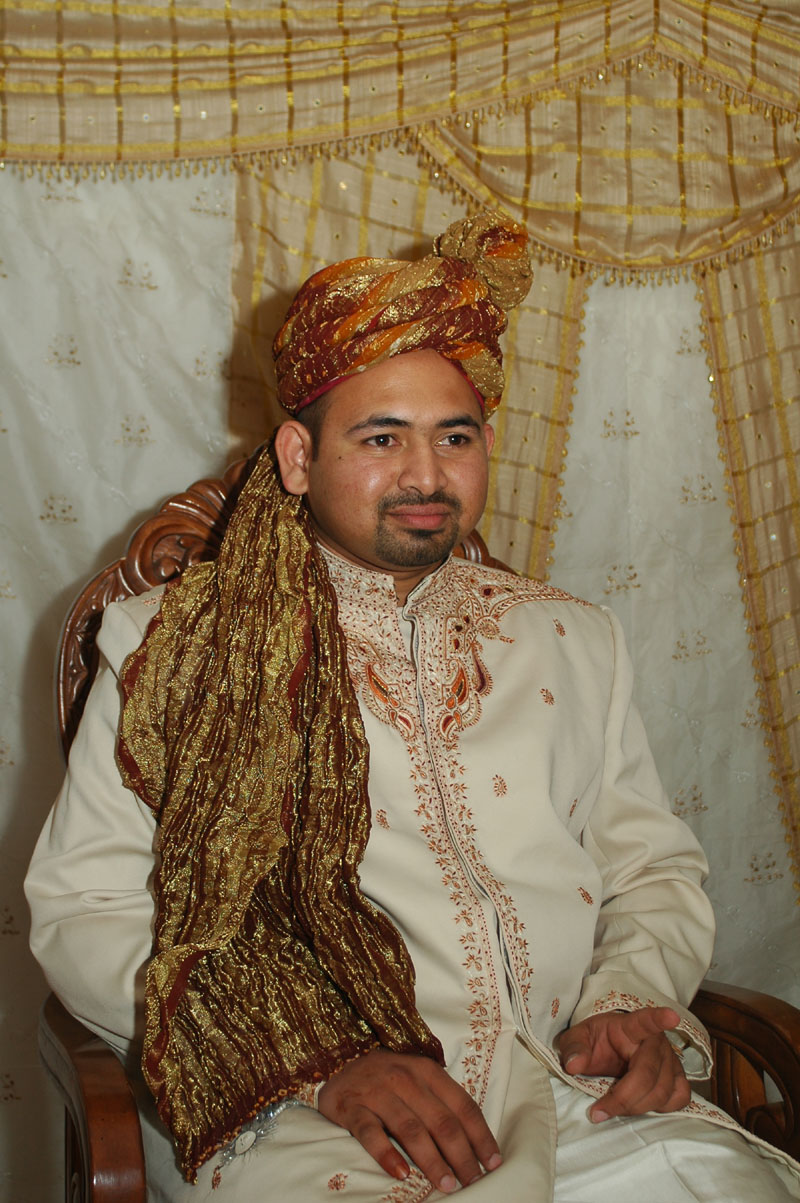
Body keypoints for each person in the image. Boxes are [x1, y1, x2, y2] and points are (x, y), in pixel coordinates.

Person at [26, 214, 800, 1201]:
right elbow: (87, 909)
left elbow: (648, 871)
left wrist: (625, 1003)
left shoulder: (570, 637)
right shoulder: (170, 644)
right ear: (297, 457)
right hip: (299, 1112)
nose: (426, 477)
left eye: (454, 437)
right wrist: (314, 1059)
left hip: (565, 1087)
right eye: (381, 438)